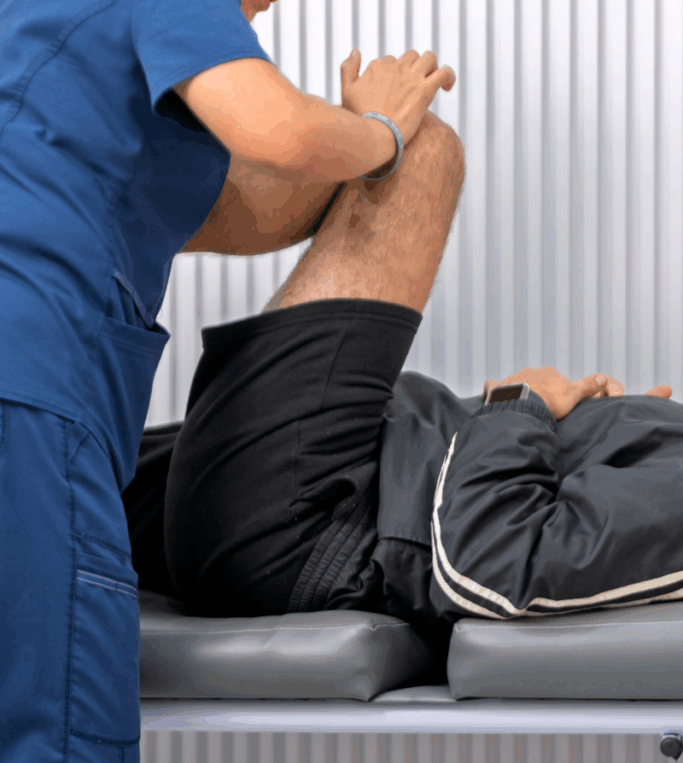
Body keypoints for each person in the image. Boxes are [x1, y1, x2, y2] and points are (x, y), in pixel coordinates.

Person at [0, 0, 455, 761]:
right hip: (28, 390)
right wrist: (376, 129)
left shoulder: (43, 12)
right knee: (58, 734)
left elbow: (250, 210)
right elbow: (279, 135)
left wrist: (349, 152)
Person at [124, 92, 681, 658]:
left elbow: (488, 564)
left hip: (312, 515)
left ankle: (79, 209)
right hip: (338, 475)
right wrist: (605, 432)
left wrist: (522, 403)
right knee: (52, 480)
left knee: (416, 146)